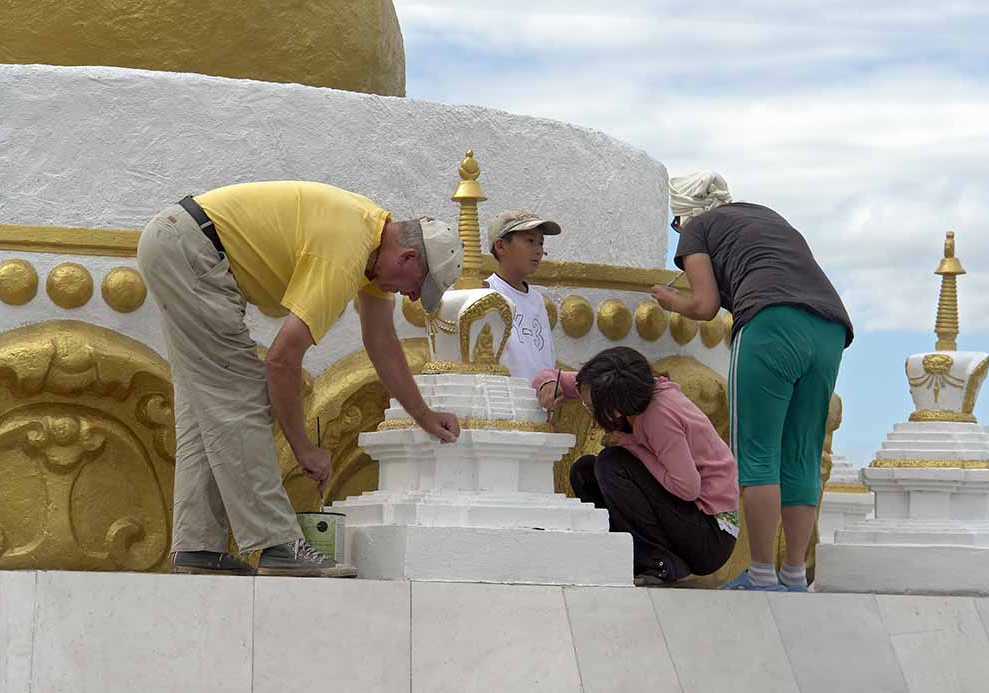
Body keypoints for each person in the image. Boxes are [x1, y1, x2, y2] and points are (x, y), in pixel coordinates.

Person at [137, 181, 464, 577]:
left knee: (204, 402)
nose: (412, 297)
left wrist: (424, 415)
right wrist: (304, 448)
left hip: (181, 243)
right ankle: (276, 544)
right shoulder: (345, 255)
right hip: (191, 250)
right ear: (408, 257)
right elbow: (281, 360)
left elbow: (382, 342)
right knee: (241, 393)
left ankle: (198, 546)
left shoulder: (371, 245)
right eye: (417, 286)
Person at [652, 171, 853, 592]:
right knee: (801, 453)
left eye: (676, 222)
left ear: (685, 212)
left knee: (758, 454)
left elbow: (706, 306)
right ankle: (795, 574)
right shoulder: (765, 216)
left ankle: (762, 573)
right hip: (830, 328)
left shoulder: (697, 229)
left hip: (771, 324)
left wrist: (672, 300)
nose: (678, 230)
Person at [532, 347, 739, 587]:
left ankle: (659, 562)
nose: (586, 406)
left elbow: (687, 487)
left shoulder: (659, 416)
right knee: (585, 471)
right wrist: (547, 383)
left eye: (591, 407)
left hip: (711, 534)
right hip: (687, 517)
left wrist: (629, 442)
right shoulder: (627, 391)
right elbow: (559, 379)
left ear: (615, 408)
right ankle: (628, 554)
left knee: (613, 463)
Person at [482, 209, 561, 379]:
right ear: (501, 246)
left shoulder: (537, 301)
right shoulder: (487, 295)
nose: (538, 250)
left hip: (540, 402)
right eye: (530, 241)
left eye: (540, 243)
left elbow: (546, 357)